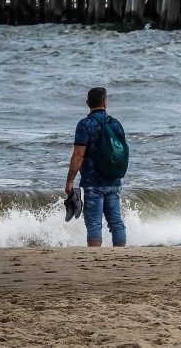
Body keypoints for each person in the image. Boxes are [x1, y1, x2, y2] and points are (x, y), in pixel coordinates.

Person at [65, 87, 127, 248]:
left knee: (94, 223)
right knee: (116, 221)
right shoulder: (116, 123)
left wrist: (70, 181)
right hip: (114, 179)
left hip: (93, 182)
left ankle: (95, 258)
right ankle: (121, 255)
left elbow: (78, 155)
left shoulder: (85, 124)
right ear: (105, 103)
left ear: (87, 103)